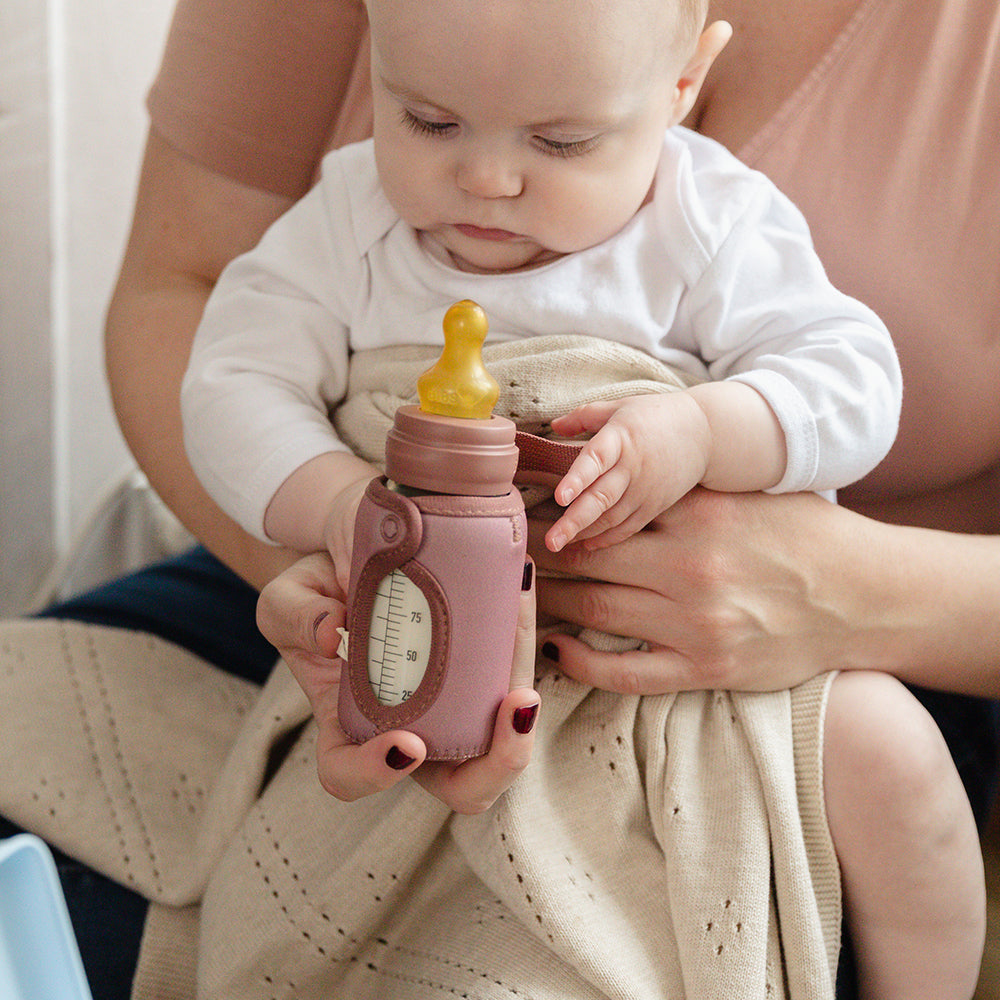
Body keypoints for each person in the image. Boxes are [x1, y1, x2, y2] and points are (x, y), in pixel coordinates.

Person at [0, 0, 996, 997]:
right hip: (404, 622)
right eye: (427, 120)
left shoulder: (709, 219)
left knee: (890, 757)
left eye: (561, 141)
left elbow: (853, 384)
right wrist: (341, 513)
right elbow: (227, 383)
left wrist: (703, 429)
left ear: (682, 86)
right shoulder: (351, 218)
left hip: (712, 659)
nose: (484, 179)